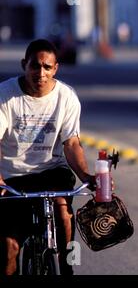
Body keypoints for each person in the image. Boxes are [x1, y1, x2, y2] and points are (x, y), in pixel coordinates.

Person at [0, 39, 95, 275]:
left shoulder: (67, 97)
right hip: (13, 178)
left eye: (47, 67)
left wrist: (86, 175)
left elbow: (72, 143)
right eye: (34, 66)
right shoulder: (5, 95)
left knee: (63, 214)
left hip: (53, 171)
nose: (40, 73)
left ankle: (66, 267)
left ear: (55, 68)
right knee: (9, 248)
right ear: (24, 65)